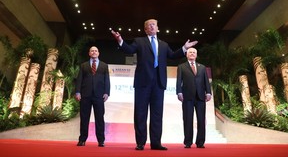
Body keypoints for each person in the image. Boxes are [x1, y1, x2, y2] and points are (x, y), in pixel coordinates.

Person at [111, 19, 198, 151]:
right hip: (143, 83)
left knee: (157, 114)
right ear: (145, 29)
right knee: (140, 113)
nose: (151, 26)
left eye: (154, 25)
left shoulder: (163, 45)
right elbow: (128, 49)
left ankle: (156, 143)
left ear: (157, 28)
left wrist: (184, 48)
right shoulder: (139, 41)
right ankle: (140, 142)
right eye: (148, 25)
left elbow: (173, 55)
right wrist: (120, 40)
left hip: (159, 82)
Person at [176, 47, 212, 149]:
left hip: (200, 97)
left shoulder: (202, 67)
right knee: (187, 119)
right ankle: (188, 142)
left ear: (196, 55)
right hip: (187, 97)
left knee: (201, 120)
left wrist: (208, 92)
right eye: (190, 52)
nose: (192, 54)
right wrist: (179, 92)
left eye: (194, 52)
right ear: (186, 55)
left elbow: (206, 81)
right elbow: (179, 81)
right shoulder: (182, 67)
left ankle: (200, 142)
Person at [75, 46, 110, 147]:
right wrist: (78, 92)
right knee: (84, 118)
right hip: (85, 95)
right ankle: (82, 140)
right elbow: (79, 79)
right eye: (92, 51)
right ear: (89, 53)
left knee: (99, 118)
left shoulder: (104, 65)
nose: (94, 52)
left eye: (96, 51)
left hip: (99, 96)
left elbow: (107, 80)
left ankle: (101, 140)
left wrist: (107, 92)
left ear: (98, 53)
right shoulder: (83, 65)